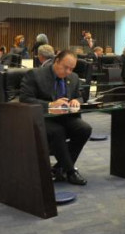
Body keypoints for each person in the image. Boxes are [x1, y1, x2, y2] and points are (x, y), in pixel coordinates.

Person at [19, 50, 91, 185]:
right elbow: (25, 99)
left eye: (71, 68)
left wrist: (76, 101)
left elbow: (80, 97)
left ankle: (59, 167)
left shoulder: (74, 77)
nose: (68, 72)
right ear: (56, 61)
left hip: (65, 117)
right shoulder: (35, 75)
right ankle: (70, 171)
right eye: (65, 67)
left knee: (85, 129)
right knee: (58, 131)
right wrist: (50, 105)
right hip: (42, 118)